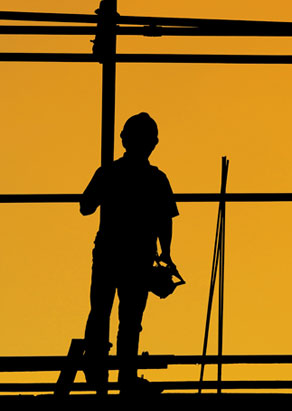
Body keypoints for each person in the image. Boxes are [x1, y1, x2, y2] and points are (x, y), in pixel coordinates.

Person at [79, 112, 178, 394]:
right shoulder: (157, 179)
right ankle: (125, 377)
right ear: (153, 143)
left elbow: (85, 206)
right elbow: (165, 221)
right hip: (138, 255)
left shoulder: (109, 173)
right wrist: (166, 254)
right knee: (130, 318)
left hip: (110, 251)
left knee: (101, 312)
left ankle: (97, 376)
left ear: (124, 140)